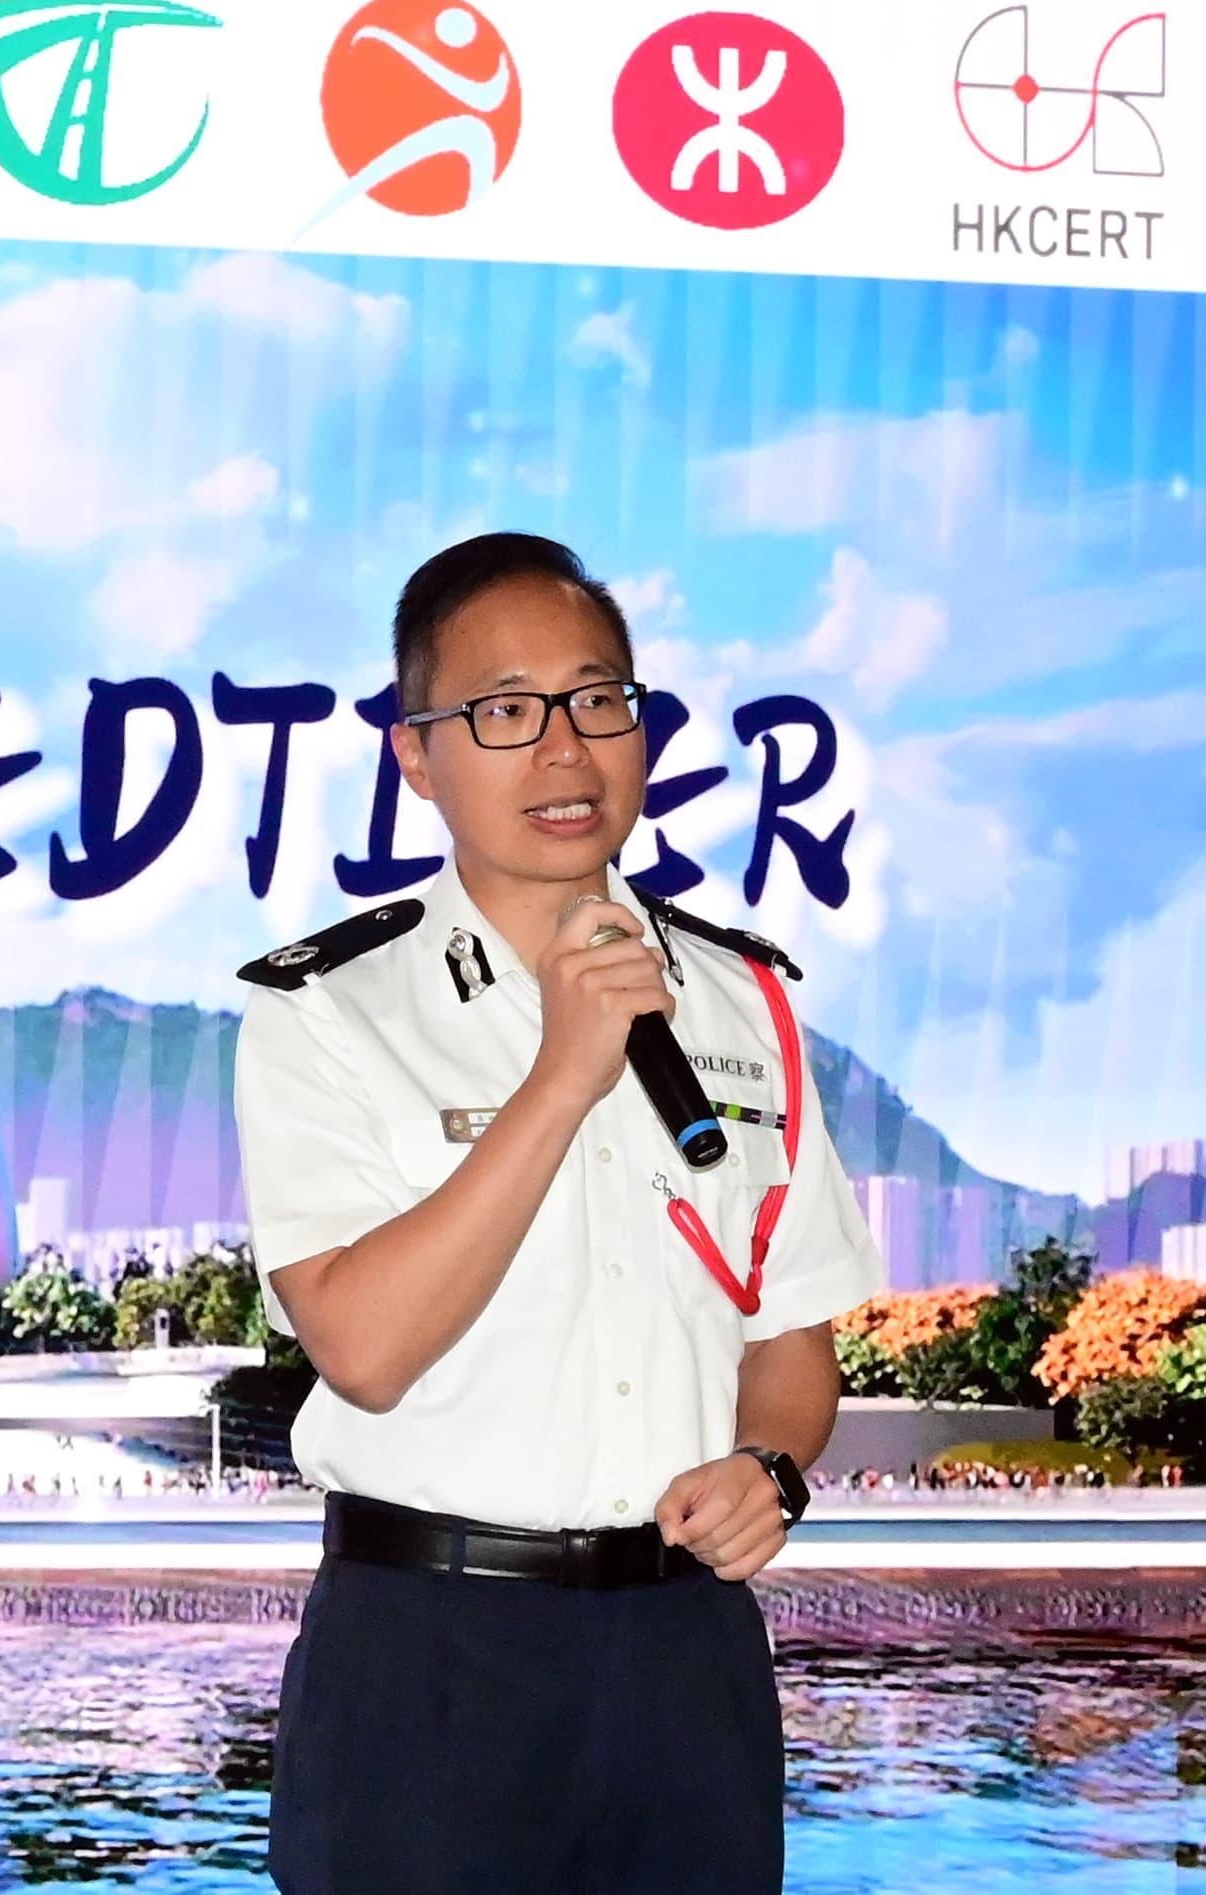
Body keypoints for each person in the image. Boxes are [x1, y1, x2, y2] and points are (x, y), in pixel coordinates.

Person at [236, 532, 882, 1894]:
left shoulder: (748, 1004)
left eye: (597, 701)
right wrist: (561, 1074)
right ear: (416, 755)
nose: (562, 750)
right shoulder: (329, 1009)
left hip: (682, 1657)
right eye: (503, 712)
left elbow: (788, 1337)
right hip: (426, 1658)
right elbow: (361, 1344)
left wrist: (765, 1471)